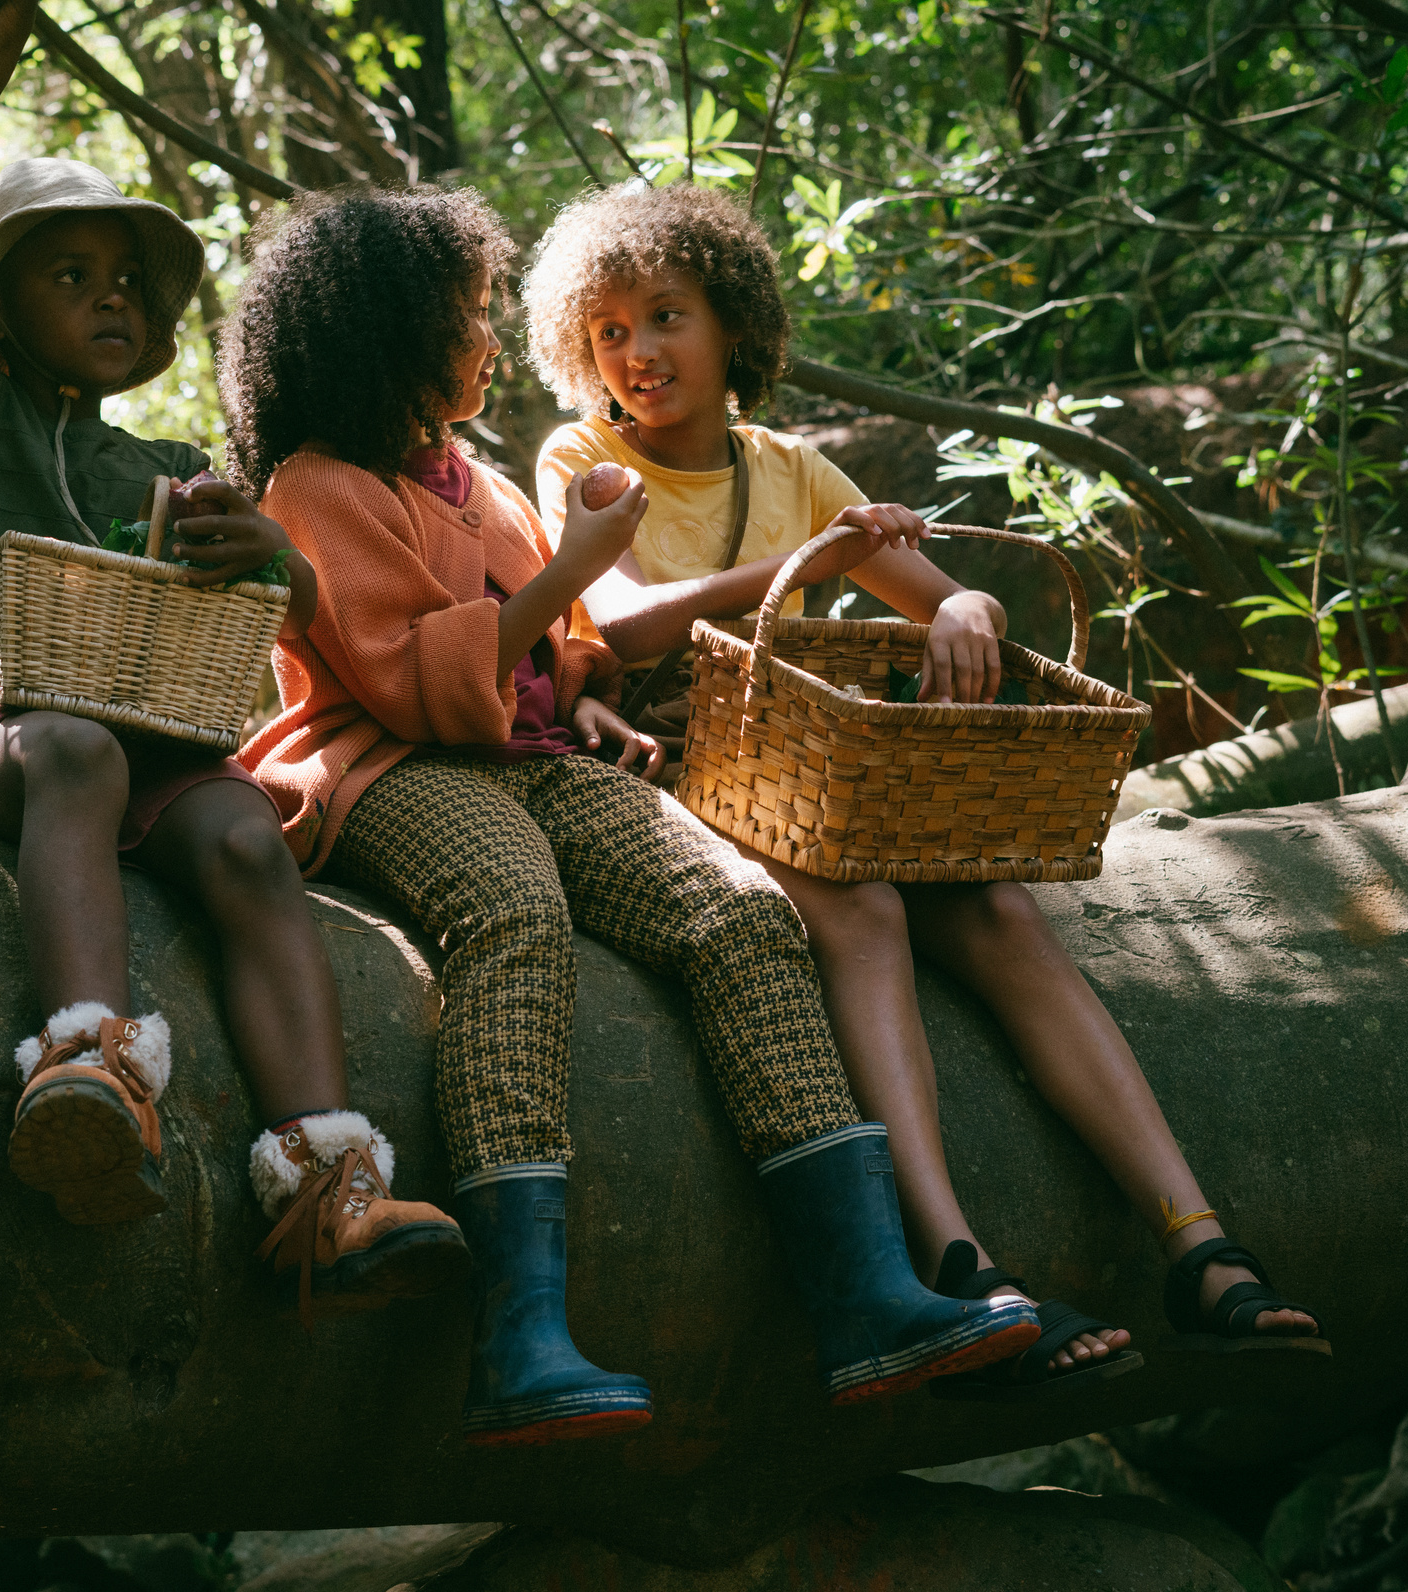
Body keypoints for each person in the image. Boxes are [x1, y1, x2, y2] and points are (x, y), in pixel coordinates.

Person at [220, 183, 1040, 1445]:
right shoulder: (317, 486)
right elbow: (416, 681)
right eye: (469, 316)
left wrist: (584, 688)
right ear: (390, 334)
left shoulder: (478, 482)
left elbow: (555, 648)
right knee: (511, 909)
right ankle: (519, 1330)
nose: (492, 342)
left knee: (740, 912)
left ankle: (865, 1290)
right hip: (389, 766)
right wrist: (574, 569)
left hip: (537, 756)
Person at [523, 180, 1326, 1397]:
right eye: (611, 331)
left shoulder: (789, 468)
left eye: (666, 317)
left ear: (731, 321)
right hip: (678, 767)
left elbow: (948, 592)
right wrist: (795, 571)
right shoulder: (582, 457)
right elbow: (623, 628)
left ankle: (1199, 1242)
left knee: (998, 906)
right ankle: (953, 1259)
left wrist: (962, 606)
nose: (638, 353)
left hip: (815, 770)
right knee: (863, 908)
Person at [0, 0, 467, 1323]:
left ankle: (325, 1176)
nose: (109, 297)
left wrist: (270, 554)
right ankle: (87, 1067)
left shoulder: (176, 467)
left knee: (247, 834)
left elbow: (296, 612)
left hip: (169, 743)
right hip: (17, 732)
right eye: (67, 274)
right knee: (73, 749)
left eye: (126, 280)